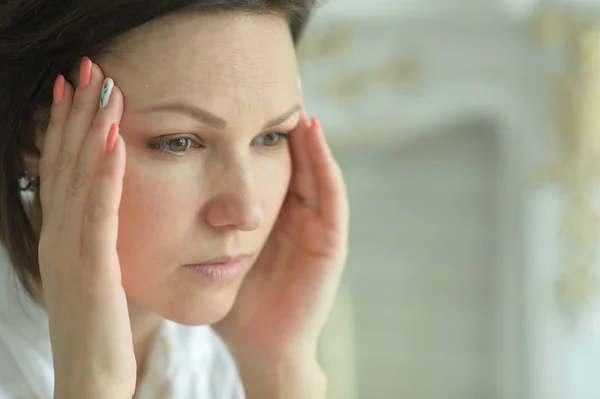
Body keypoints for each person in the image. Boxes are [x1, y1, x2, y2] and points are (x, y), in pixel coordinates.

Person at [0, 0, 349, 397]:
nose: (247, 212)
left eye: (270, 137)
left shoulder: (230, 360)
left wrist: (279, 369)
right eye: (178, 143)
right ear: (35, 140)